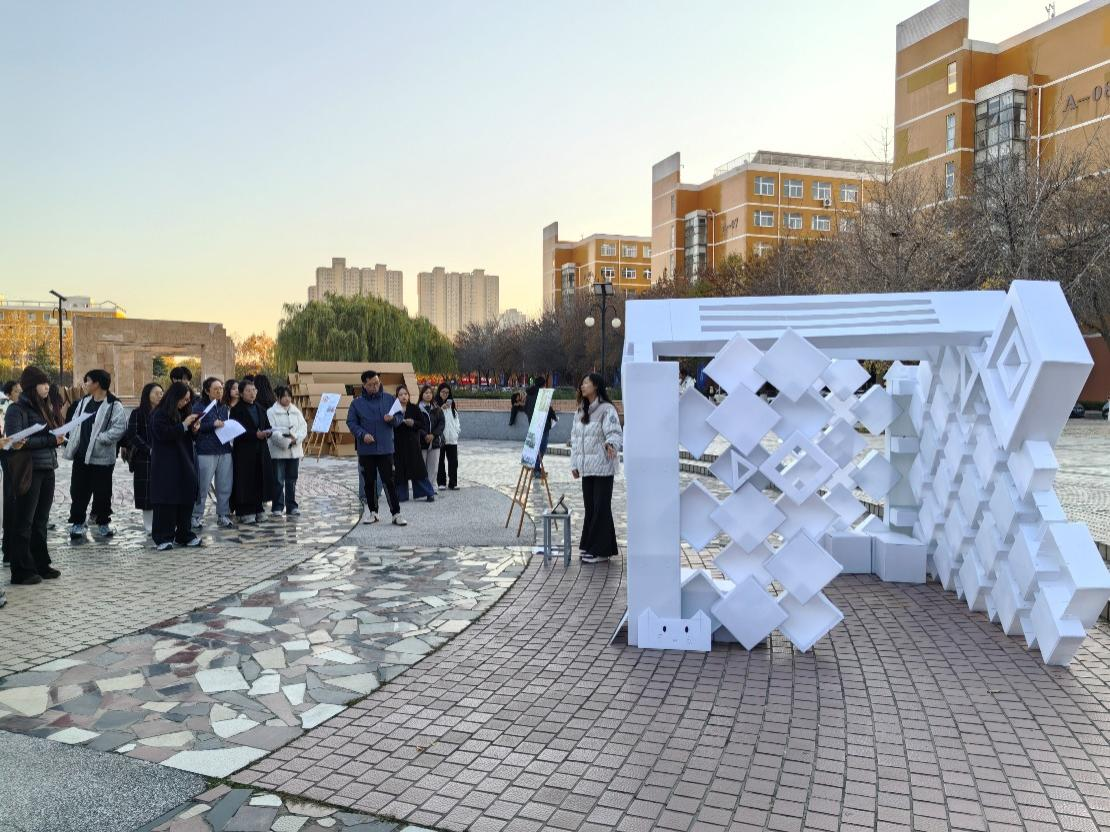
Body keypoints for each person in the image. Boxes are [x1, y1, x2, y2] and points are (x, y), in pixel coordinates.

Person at [4, 366, 65, 584]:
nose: (47, 387)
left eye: (48, 383)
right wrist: (50, 440)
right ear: (32, 386)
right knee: (25, 521)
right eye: (42, 383)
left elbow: (49, 434)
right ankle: (21, 570)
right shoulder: (16, 409)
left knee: (41, 520)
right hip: (29, 469)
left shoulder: (44, 407)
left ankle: (41, 564)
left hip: (47, 467)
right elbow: (16, 441)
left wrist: (57, 435)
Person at [63, 369, 129, 538]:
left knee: (102, 493)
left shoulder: (114, 404)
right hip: (81, 455)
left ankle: (103, 522)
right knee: (78, 491)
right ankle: (78, 522)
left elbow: (119, 428)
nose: (85, 384)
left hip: (102, 457)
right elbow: (75, 422)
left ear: (97, 383)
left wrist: (101, 439)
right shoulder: (84, 402)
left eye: (87, 381)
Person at [570, 372, 623, 564]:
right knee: (591, 508)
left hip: (603, 467)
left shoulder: (607, 409)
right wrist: (574, 464)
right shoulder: (580, 411)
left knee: (601, 507)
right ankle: (592, 546)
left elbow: (615, 432)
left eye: (586, 383)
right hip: (587, 469)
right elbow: (575, 439)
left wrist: (611, 444)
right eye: (582, 383)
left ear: (596, 386)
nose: (582, 386)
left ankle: (600, 551)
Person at [346, 370, 405, 525]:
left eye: (377, 383)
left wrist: (392, 419)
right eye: (371, 384)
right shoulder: (357, 403)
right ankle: (373, 512)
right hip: (366, 449)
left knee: (389, 481)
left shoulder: (389, 399)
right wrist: (362, 434)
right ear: (364, 385)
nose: (375, 386)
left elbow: (400, 417)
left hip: (386, 448)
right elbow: (351, 422)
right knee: (369, 481)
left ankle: (396, 513)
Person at [149, 381, 202, 550]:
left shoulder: (184, 411)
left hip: (184, 461)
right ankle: (163, 537)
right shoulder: (159, 414)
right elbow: (163, 434)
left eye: (188, 400)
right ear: (174, 397)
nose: (186, 403)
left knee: (186, 497)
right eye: (184, 399)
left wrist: (194, 430)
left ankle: (184, 534)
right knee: (166, 500)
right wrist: (184, 425)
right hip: (166, 463)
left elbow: (188, 437)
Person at [192, 377, 235, 529]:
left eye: (221, 388)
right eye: (216, 389)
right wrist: (212, 425)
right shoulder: (199, 406)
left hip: (224, 449)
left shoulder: (223, 407)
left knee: (224, 485)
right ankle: (196, 516)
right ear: (206, 390)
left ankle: (223, 515)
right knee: (203, 486)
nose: (219, 391)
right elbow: (194, 427)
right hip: (206, 450)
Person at [229, 380, 274, 524]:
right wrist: (254, 435)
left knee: (259, 478)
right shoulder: (236, 410)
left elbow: (267, 426)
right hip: (244, 451)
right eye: (248, 391)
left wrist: (268, 432)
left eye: (254, 390)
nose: (252, 393)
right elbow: (236, 431)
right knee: (245, 480)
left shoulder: (260, 408)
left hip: (260, 450)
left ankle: (258, 508)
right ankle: (244, 511)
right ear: (241, 393)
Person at [123, 382, 163, 535]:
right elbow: (132, 435)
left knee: (161, 490)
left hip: (163, 457)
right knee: (147, 492)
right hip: (144, 458)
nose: (159, 396)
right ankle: (149, 526)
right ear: (147, 395)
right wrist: (148, 449)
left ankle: (161, 522)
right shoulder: (138, 413)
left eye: (161, 393)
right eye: (156, 393)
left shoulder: (164, 413)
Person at [267, 386, 307, 516]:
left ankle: (292, 506)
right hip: (278, 452)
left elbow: (303, 428)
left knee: (292, 479)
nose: (287, 399)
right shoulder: (271, 412)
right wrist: (287, 441)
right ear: (278, 397)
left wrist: (296, 439)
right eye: (284, 396)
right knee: (278, 480)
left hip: (294, 451)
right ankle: (277, 507)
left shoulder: (296, 411)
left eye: (289, 396)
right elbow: (272, 431)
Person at [393, 385, 435, 503]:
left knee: (418, 470)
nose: (403, 396)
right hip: (399, 444)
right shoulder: (394, 409)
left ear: (409, 395)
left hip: (412, 444)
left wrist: (413, 423)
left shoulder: (414, 408)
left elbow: (422, 424)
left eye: (405, 394)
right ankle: (401, 495)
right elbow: (389, 424)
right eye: (401, 394)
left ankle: (428, 492)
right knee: (400, 471)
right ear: (397, 397)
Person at [524, 374, 557, 474]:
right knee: (542, 447)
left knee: (535, 447)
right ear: (543, 385)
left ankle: (536, 468)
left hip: (533, 424)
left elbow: (526, 409)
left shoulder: (529, 395)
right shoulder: (543, 394)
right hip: (543, 425)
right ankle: (536, 469)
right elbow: (548, 409)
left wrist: (531, 417)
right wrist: (554, 417)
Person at [435, 382, 461, 491]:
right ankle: (441, 482)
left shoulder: (452, 406)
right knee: (440, 461)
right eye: (443, 392)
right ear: (439, 392)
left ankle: (453, 483)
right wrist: (441, 408)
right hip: (441, 438)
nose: (445, 394)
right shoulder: (435, 405)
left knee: (453, 461)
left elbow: (456, 420)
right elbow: (433, 419)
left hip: (452, 439)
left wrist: (456, 432)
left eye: (447, 392)